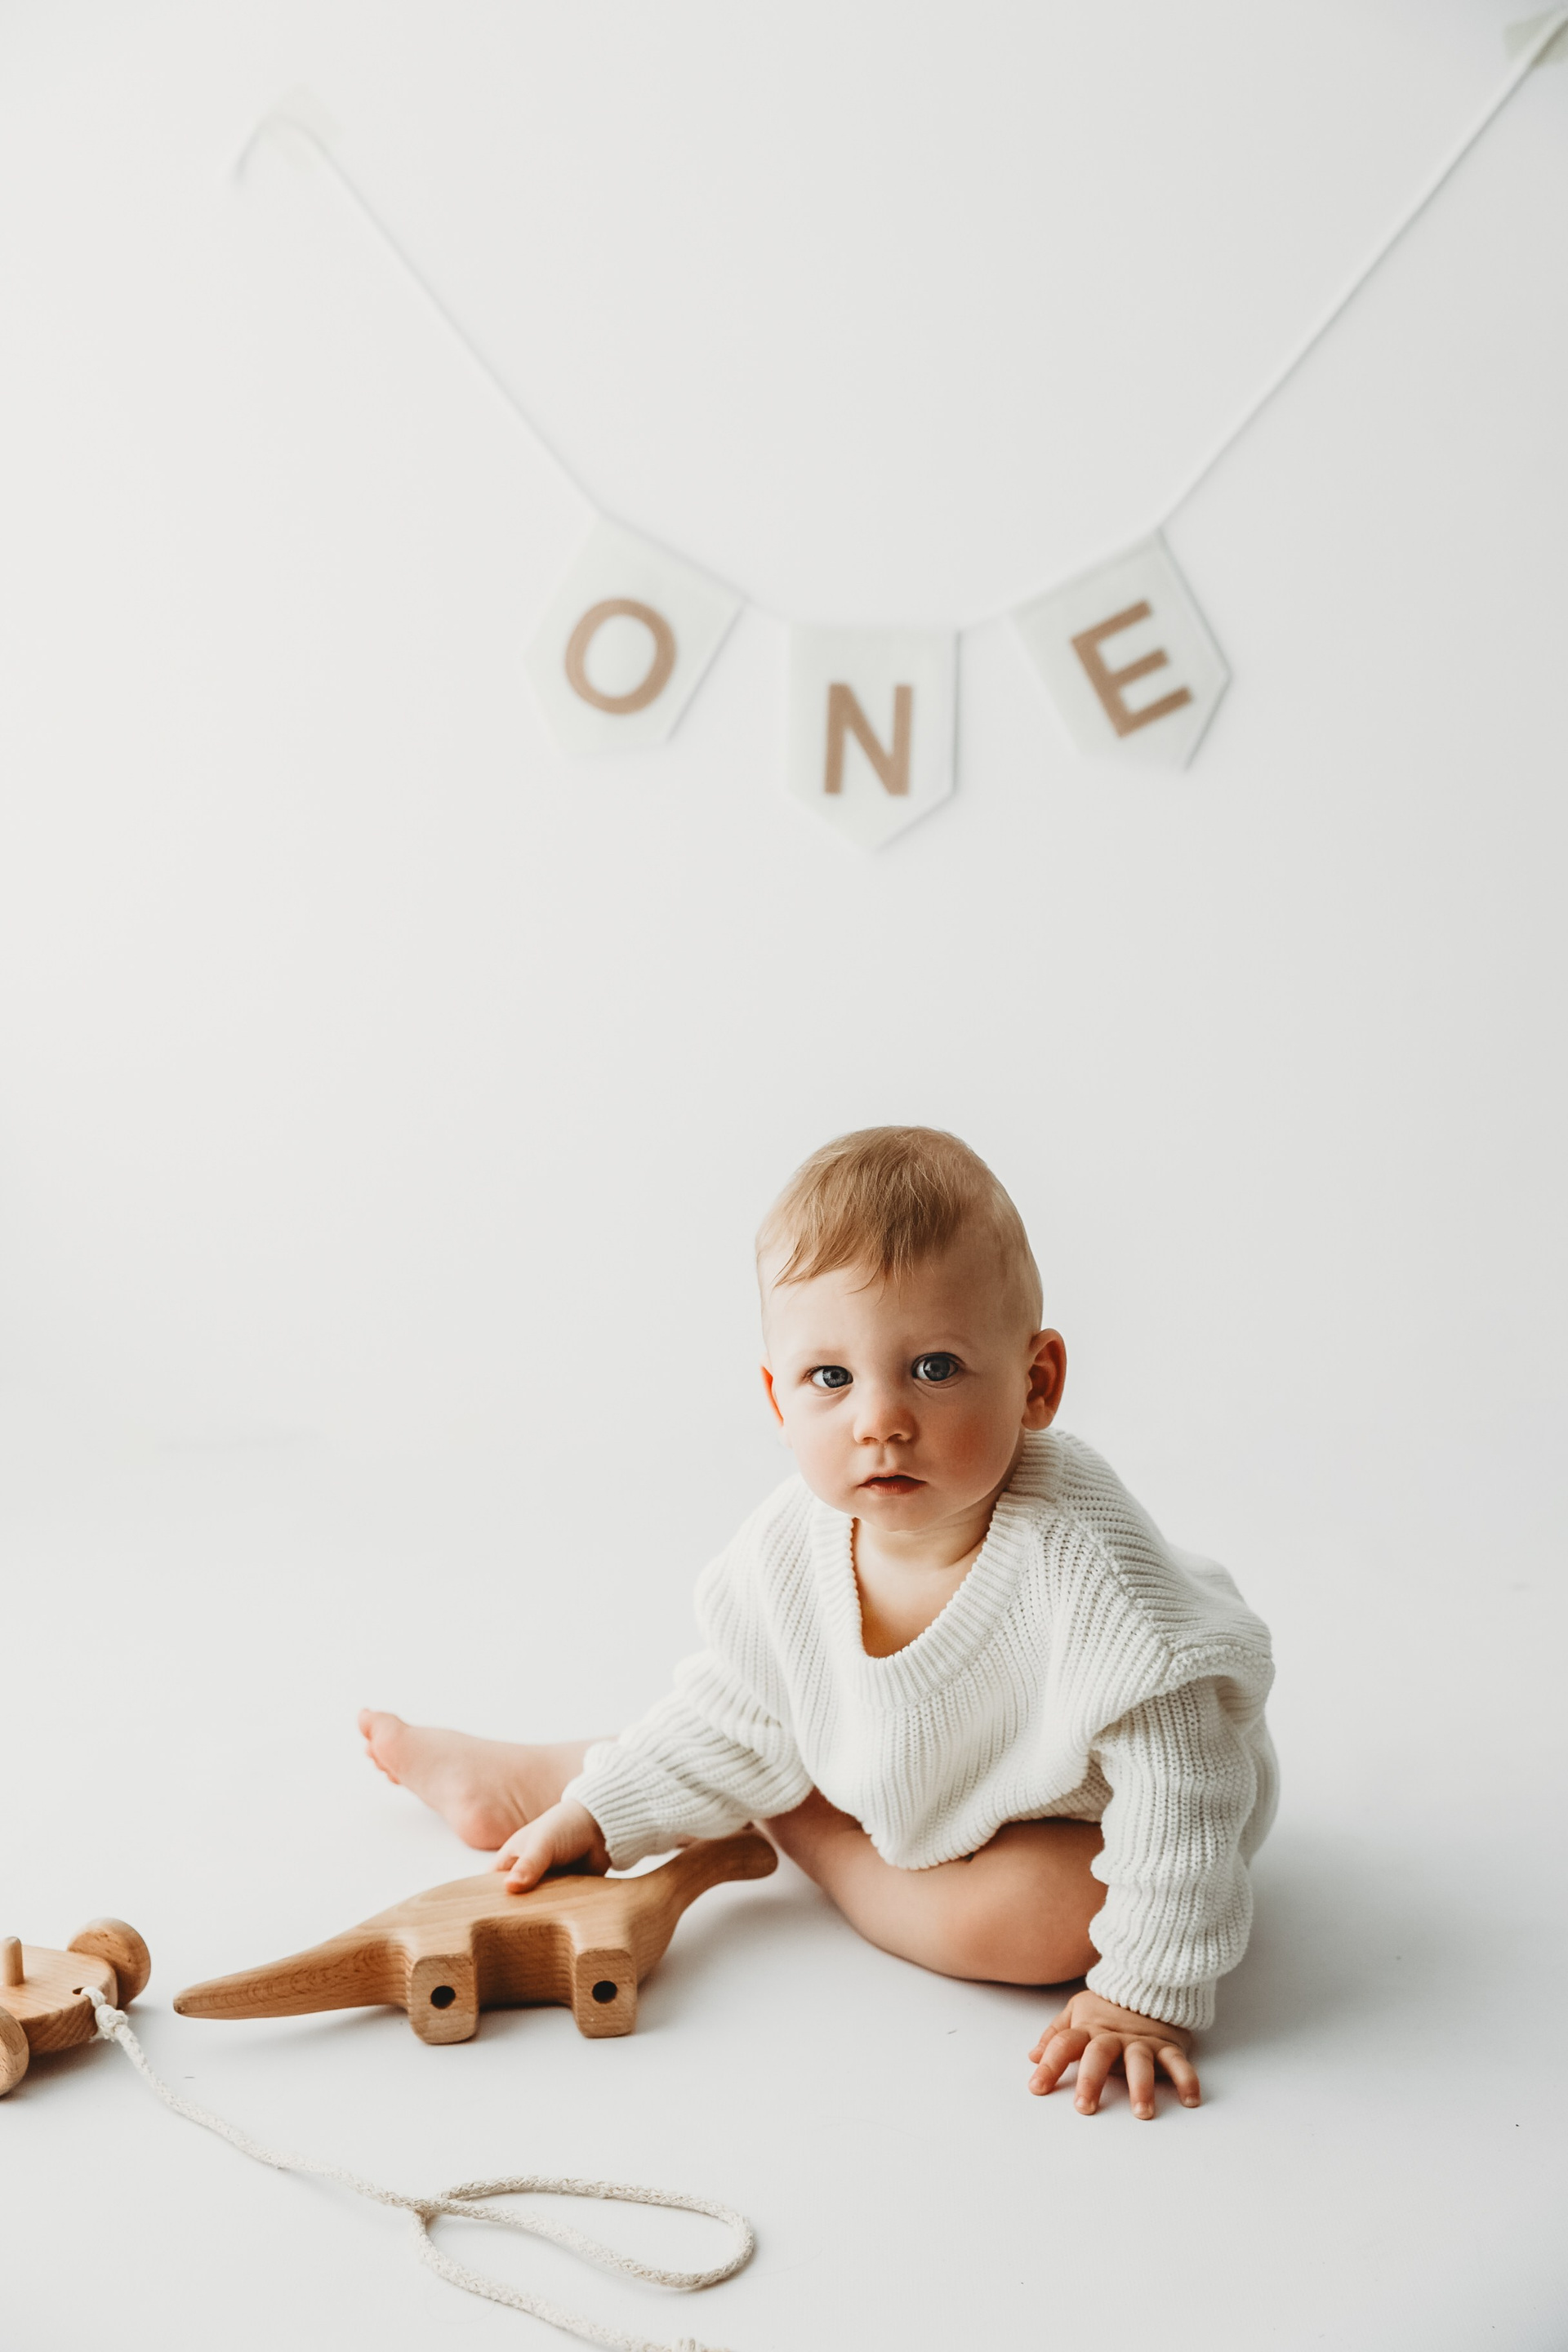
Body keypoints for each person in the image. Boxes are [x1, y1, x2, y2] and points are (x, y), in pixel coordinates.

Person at [360, 1125, 1276, 2120]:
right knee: (741, 1732)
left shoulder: (1091, 1571)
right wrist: (601, 1817)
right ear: (777, 1399)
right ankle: (564, 1782)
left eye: (934, 1368)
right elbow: (738, 1706)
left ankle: (809, 1831)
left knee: (1052, 1922)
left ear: (1037, 1382)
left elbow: (1184, 1782)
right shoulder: (790, 1544)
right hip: (919, 1771)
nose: (879, 1420)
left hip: (1080, 1809)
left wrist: (1145, 1995)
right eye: (831, 1379)